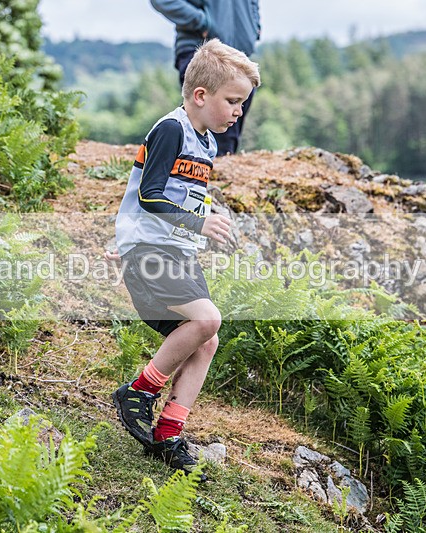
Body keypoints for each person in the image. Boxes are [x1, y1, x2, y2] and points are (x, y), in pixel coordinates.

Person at [111, 39, 260, 477]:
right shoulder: (171, 129)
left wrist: (208, 217)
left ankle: (169, 432)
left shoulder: (206, 142)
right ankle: (139, 391)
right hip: (150, 251)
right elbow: (148, 194)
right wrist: (196, 223)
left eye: (242, 103)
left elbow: (186, 193)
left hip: (178, 253)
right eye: (232, 101)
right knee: (208, 319)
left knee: (206, 338)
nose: (239, 111)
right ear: (200, 95)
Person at [150, 0, 260, 155]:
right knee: (202, 119)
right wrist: (204, 22)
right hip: (201, 48)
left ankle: (218, 165)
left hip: (238, 54)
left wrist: (254, 27)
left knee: (227, 133)